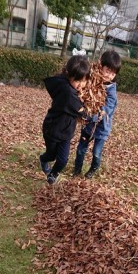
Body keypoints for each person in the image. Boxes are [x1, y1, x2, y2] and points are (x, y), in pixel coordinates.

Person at [40, 55, 90, 184]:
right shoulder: (67, 92)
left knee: (63, 159)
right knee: (51, 155)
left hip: (66, 131)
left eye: (83, 81)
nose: (81, 85)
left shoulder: (69, 86)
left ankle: (53, 174)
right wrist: (91, 115)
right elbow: (82, 112)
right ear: (69, 76)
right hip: (53, 129)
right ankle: (43, 159)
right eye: (77, 81)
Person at [73, 50, 122, 179]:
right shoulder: (91, 80)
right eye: (107, 71)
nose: (109, 75)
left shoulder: (111, 92)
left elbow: (106, 110)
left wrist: (91, 115)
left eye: (113, 73)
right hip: (88, 125)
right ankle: (77, 170)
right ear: (100, 66)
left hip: (102, 128)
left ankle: (93, 169)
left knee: (96, 152)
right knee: (81, 149)